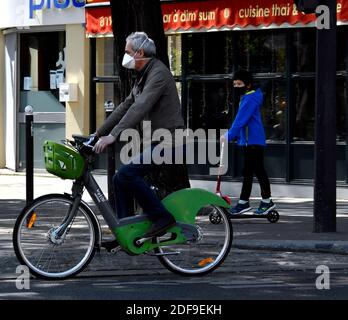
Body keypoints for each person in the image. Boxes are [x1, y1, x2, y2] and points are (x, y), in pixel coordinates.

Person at [93, 32, 185, 250]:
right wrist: (96, 135)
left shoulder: (158, 74)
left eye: (127, 52)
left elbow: (140, 106)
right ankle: (126, 231)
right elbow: (124, 107)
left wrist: (113, 136)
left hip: (171, 141)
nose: (125, 56)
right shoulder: (143, 77)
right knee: (119, 178)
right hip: (157, 140)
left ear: (140, 52)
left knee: (127, 174)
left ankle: (162, 218)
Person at [221, 69, 275, 215]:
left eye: (240, 84)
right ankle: (244, 202)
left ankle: (266, 201)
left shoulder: (249, 99)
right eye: (235, 84)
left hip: (253, 142)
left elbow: (240, 121)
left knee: (257, 171)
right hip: (250, 141)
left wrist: (228, 135)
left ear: (248, 85)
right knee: (250, 172)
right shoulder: (247, 97)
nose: (236, 87)